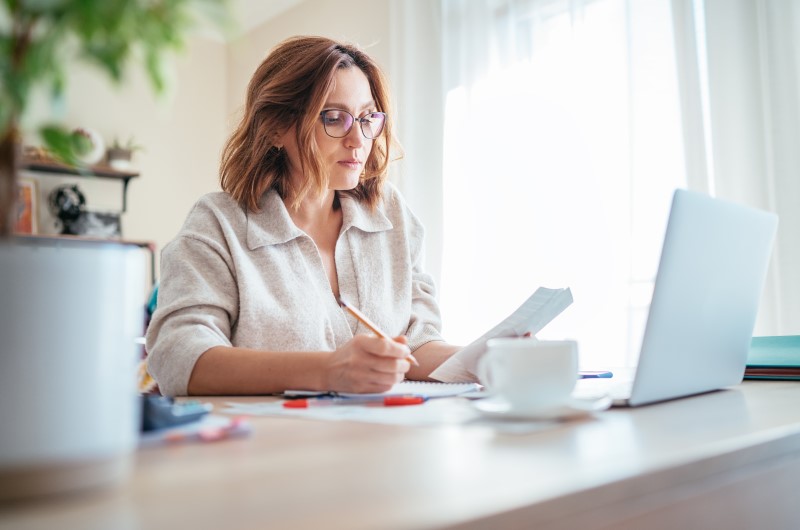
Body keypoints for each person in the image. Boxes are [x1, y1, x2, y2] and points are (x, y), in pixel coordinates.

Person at [145, 36, 461, 396]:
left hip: (380, 443)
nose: (358, 140)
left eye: (366, 118)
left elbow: (416, 348)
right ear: (276, 126)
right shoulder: (219, 224)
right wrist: (328, 371)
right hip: (268, 448)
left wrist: (488, 360)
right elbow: (177, 358)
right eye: (334, 118)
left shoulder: (391, 215)